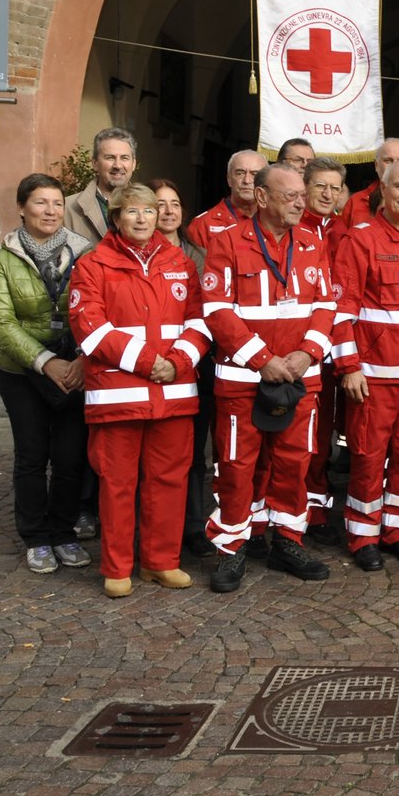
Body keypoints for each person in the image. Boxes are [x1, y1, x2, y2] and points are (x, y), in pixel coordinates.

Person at [200, 164, 337, 594]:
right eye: (290, 195)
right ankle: (232, 546)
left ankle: (287, 541)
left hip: (300, 378)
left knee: (294, 464)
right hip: (244, 381)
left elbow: (327, 304)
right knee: (238, 467)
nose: (301, 202)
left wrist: (307, 352)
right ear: (261, 198)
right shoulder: (226, 243)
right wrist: (262, 359)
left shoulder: (314, 243)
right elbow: (216, 311)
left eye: (302, 194)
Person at [69, 182, 209, 597]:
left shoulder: (181, 263)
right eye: (132, 212)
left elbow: (200, 321)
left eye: (149, 211)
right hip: (119, 397)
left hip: (174, 395)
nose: (143, 218)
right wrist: (154, 364)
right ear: (115, 218)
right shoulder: (93, 265)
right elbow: (90, 330)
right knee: (117, 484)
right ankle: (117, 567)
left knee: (169, 481)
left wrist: (180, 363)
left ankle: (160, 562)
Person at [331, 159, 399, 571]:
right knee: (367, 455)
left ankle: (398, 529)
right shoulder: (358, 240)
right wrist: (349, 367)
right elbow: (340, 310)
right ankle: (363, 534)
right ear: (383, 188)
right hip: (373, 377)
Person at [0, 174, 93, 574]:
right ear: (21, 207)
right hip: (23, 373)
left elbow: (97, 310)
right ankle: (36, 537)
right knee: (32, 456)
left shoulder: (85, 253)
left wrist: (83, 358)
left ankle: (63, 532)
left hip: (77, 369)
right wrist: (47, 361)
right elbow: (1, 322)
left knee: (70, 456)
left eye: (56, 203)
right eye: (40, 203)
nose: (50, 211)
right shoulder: (2, 260)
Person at [149, 177, 218, 560]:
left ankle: (192, 526)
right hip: (149, 370)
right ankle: (157, 529)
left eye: (175, 203)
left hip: (194, 367)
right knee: (155, 457)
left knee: (193, 454)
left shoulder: (200, 257)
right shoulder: (138, 256)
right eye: (160, 204)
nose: (169, 211)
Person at [298, 157, 349, 543]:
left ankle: (316, 509)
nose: (328, 194)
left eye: (335, 187)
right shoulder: (292, 228)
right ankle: (299, 512)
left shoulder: (346, 230)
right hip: (301, 347)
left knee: (324, 433)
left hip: (338, 347)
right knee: (302, 435)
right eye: (320, 186)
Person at [63, 126, 137, 244]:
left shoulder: (150, 207)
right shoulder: (68, 208)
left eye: (124, 158)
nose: (118, 165)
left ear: (133, 164)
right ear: (95, 163)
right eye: (110, 157)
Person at [185, 149, 267, 252]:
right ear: (229, 179)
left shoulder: (276, 220)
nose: (247, 180)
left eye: (254, 174)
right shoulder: (203, 225)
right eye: (240, 173)